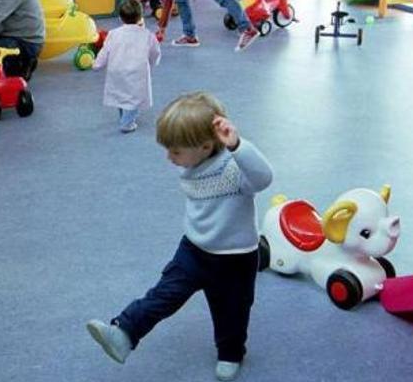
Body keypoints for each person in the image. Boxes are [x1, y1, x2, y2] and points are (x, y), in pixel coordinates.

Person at [86, 92, 273, 381]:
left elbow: (264, 177)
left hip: (235, 258)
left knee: (232, 311)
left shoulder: (234, 170)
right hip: (194, 249)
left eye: (175, 151)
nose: (169, 157)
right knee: (164, 293)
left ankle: (230, 353)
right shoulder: (193, 165)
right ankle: (123, 333)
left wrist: (237, 145)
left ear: (205, 146)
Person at [92, 0, 161, 133]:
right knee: (133, 98)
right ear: (140, 17)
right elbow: (155, 53)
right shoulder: (148, 35)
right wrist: (153, 63)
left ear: (120, 17)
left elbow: (105, 51)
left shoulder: (113, 34)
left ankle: (124, 115)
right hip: (137, 71)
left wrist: (96, 65)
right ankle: (126, 124)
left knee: (121, 94)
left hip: (117, 70)